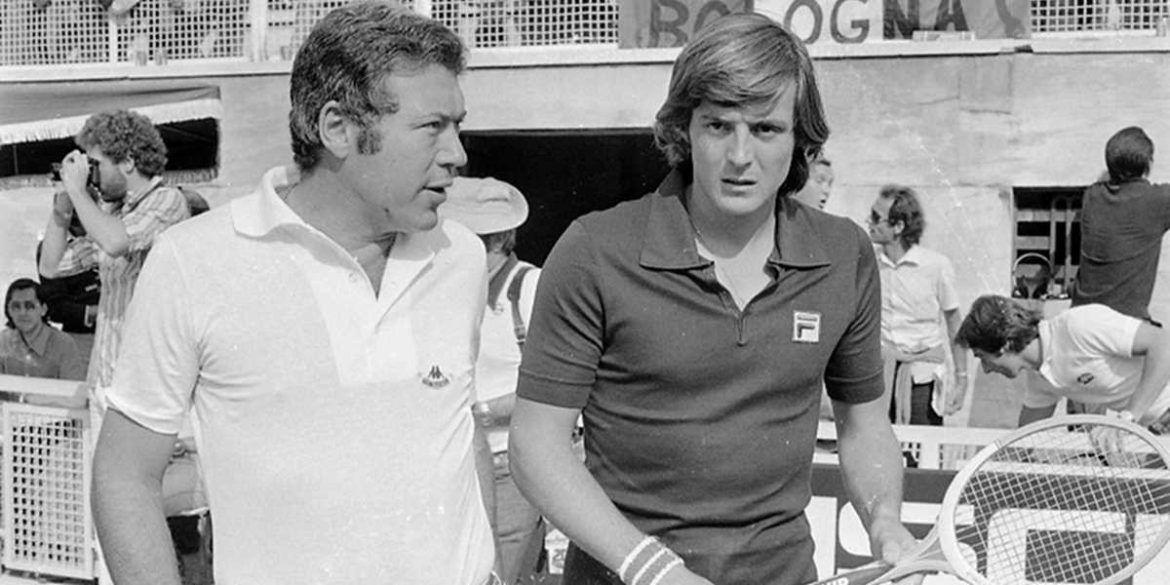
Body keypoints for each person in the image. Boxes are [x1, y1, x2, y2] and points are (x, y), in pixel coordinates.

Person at [91, 3, 495, 585]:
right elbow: (124, 475)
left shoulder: (461, 256)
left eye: (458, 126)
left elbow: (458, 429)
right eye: (433, 127)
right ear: (339, 129)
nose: (458, 154)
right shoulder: (195, 261)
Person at [509, 13, 917, 585]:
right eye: (719, 126)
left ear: (801, 138)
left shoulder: (844, 252)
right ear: (685, 130)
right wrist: (653, 570)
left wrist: (886, 522)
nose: (740, 155)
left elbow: (864, 424)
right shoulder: (595, 250)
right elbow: (535, 444)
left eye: (766, 129)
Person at [37, 108, 190, 425]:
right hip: (106, 382)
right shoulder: (112, 215)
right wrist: (62, 214)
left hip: (146, 390)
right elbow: (51, 266)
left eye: (95, 165)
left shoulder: (168, 201)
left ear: (129, 161)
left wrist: (80, 194)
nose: (90, 174)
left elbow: (117, 242)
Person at [442, 176, 544, 584]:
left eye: (477, 240)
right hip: (458, 468)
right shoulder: (450, 290)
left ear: (502, 240)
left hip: (510, 469)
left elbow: (555, 389)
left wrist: (479, 413)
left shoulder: (529, 288)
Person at [956, 294, 1170, 432]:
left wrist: (1128, 418)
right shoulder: (1039, 380)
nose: (985, 369)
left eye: (982, 357)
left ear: (1003, 344)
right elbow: (1024, 438)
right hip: (1158, 429)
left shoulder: (1079, 325)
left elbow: (1163, 344)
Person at [868, 185, 967, 426]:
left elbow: (955, 324)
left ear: (898, 226)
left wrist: (962, 378)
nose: (868, 222)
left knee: (921, 453)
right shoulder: (866, 263)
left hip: (922, 379)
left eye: (875, 218)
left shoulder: (936, 266)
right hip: (878, 377)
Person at [1072, 126, 1170, 322]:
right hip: (1124, 324)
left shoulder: (1091, 196)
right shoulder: (1159, 200)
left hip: (1079, 315)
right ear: (1147, 165)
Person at [0, 278, 84, 382]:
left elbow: (75, 393)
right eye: (16, 307)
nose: (22, 313)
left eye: (29, 306)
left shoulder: (64, 344)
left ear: (43, 309)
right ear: (9, 311)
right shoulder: (2, 342)